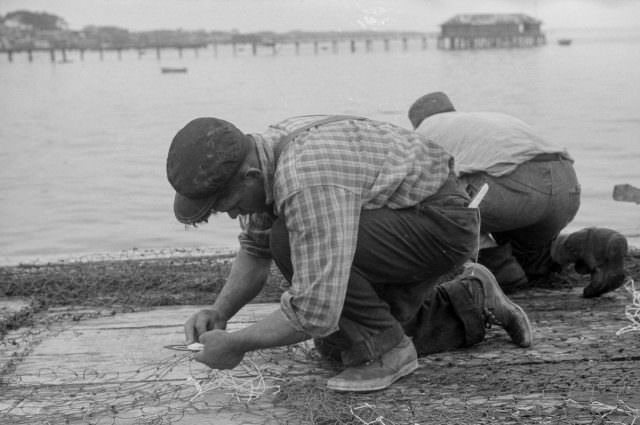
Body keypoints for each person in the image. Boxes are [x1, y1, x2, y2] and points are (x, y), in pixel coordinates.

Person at [166, 115, 533, 393]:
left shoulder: (304, 178)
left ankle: (389, 353)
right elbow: (254, 250)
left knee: (289, 242)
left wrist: (238, 344)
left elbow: (315, 309)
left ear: (248, 176)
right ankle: (471, 297)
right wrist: (219, 312)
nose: (231, 214)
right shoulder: (264, 159)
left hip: (441, 224)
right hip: (399, 218)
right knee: (338, 346)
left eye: (227, 204)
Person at [408, 92, 628, 297]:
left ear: (417, 121)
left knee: (431, 204)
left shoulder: (424, 133)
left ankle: (496, 267)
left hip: (514, 188)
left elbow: (413, 190)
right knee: (530, 257)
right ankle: (589, 243)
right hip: (566, 184)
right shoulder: (482, 119)